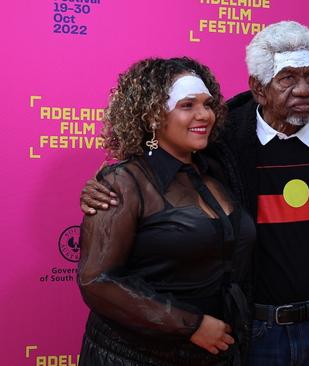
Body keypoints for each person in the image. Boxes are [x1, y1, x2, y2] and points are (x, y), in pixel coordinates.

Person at [81, 21, 309, 366]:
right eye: (287, 78)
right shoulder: (224, 143)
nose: (303, 89)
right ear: (258, 88)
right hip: (241, 331)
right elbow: (99, 277)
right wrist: (108, 184)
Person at [77, 57, 255, 366]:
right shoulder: (124, 182)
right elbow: (97, 281)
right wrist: (190, 325)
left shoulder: (218, 173)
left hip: (214, 354)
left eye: (207, 104)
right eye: (187, 105)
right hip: (133, 356)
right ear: (154, 116)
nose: (204, 115)